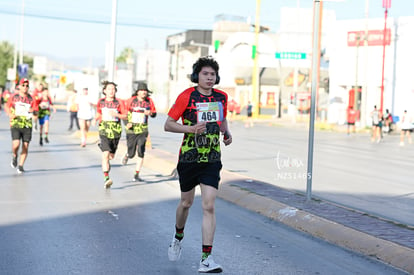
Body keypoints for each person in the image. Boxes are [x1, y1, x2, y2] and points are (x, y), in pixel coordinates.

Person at [164, 56, 232, 273]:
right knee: (186, 203)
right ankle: (178, 236)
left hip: (211, 158)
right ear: (197, 75)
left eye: (212, 74)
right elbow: (168, 124)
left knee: (209, 205)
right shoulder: (187, 96)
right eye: (205, 74)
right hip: (189, 157)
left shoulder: (222, 97)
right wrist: (191, 129)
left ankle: (206, 258)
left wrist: (226, 132)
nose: (209, 78)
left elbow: (222, 119)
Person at [121, 82, 157, 181]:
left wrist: (150, 113)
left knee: (141, 150)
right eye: (141, 91)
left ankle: (136, 174)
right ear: (137, 92)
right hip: (132, 129)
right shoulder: (131, 101)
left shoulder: (149, 101)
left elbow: (154, 114)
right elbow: (124, 113)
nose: (143, 93)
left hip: (143, 129)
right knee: (132, 153)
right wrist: (127, 123)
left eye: (145, 91)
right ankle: (128, 154)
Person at [95, 81, 127, 188]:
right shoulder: (101, 101)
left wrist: (116, 114)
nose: (111, 91)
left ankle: (105, 149)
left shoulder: (119, 103)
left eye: (113, 89)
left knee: (111, 156)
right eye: (109, 89)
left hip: (116, 131)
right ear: (104, 91)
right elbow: (99, 112)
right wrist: (96, 118)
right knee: (105, 155)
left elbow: (125, 116)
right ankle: (106, 178)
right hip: (104, 129)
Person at [4, 78, 38, 173]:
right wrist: (10, 114)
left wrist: (33, 111)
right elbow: (7, 106)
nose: (25, 87)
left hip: (27, 124)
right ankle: (14, 155)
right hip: (16, 123)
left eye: (27, 85)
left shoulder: (31, 99)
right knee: (16, 144)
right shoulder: (14, 97)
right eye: (23, 85)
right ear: (19, 86)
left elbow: (36, 111)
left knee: (25, 146)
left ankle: (21, 165)